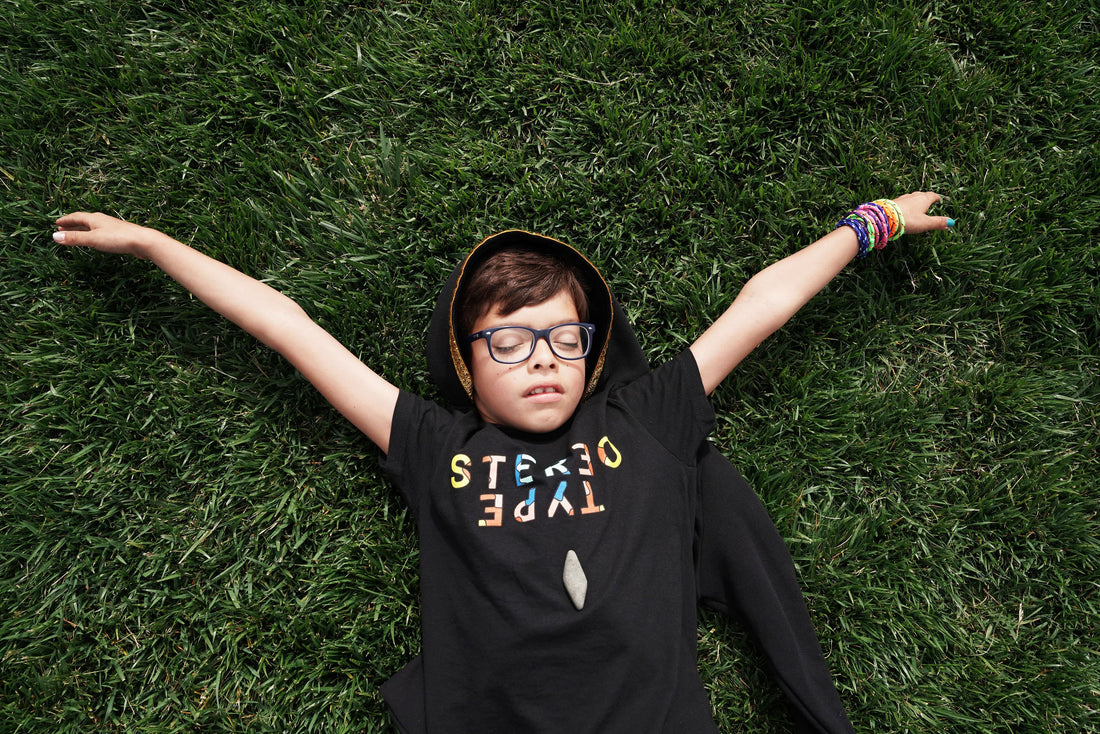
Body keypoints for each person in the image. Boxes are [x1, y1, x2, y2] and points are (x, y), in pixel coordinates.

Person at [52, 192, 951, 732]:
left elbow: (762, 305)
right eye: (511, 343)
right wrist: (154, 245)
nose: (546, 357)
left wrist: (870, 224)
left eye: (565, 336)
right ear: (465, 366)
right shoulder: (438, 445)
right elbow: (286, 327)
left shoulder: (649, 419)